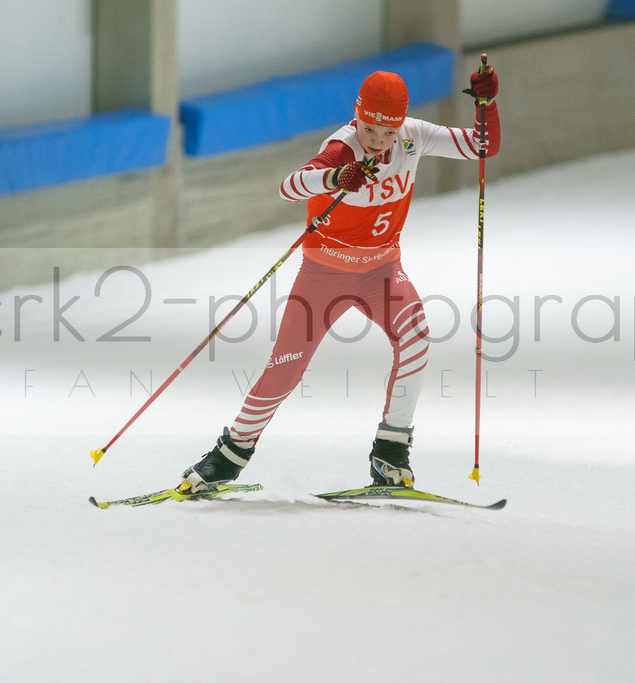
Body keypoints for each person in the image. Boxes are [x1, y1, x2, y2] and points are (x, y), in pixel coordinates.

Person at [180, 62, 501, 493]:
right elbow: (289, 187)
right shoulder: (342, 146)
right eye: (370, 129)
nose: (379, 140)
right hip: (324, 274)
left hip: (382, 272)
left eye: (388, 132)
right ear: (357, 114)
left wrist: (487, 105)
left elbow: (482, 147)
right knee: (285, 368)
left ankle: (390, 453)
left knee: (417, 337)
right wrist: (334, 177)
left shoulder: (414, 135)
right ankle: (228, 456)